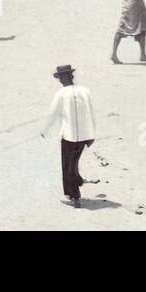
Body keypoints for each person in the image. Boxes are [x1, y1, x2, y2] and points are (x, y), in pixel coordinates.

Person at [41, 64, 97, 208]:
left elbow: (52, 113)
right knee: (74, 162)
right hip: (84, 135)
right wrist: (92, 134)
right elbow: (91, 112)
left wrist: (44, 130)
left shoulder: (60, 94)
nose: (60, 80)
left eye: (60, 78)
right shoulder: (85, 91)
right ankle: (77, 180)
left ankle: (74, 196)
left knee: (67, 166)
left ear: (63, 78)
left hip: (68, 136)